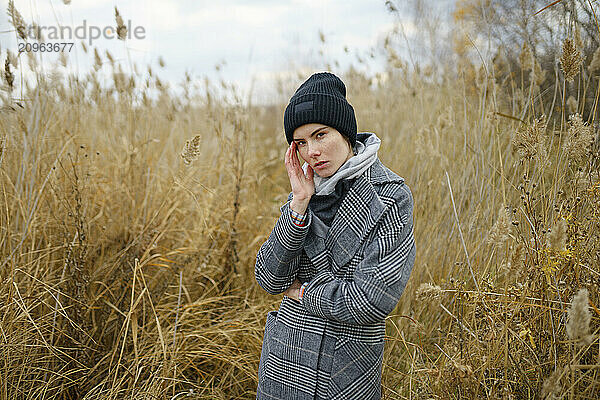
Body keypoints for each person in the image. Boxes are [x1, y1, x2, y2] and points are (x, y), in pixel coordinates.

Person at [255, 72, 416, 400]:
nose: (312, 152)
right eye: (300, 143)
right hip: (284, 363)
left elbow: (370, 301)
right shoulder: (304, 191)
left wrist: (307, 294)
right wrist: (298, 206)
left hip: (345, 370)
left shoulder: (390, 197)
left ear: (344, 131)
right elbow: (270, 280)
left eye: (320, 135)